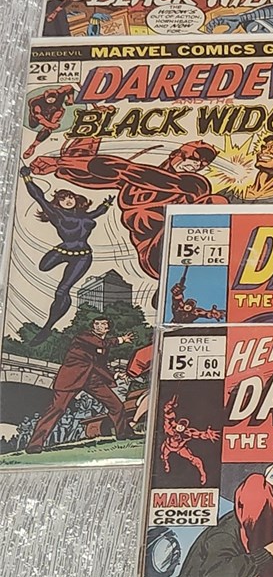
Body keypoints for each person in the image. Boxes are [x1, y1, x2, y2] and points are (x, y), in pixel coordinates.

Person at [29, 138, 224, 279]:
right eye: (193, 158)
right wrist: (64, 167)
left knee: (216, 202)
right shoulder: (133, 185)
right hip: (152, 254)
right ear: (176, 155)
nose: (195, 165)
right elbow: (98, 175)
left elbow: (130, 171)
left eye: (202, 164)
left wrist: (60, 163)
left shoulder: (195, 183)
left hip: (184, 244)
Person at [20, 165, 114, 342]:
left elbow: (97, 212)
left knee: (62, 291)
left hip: (83, 256)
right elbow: (38, 196)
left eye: (70, 197)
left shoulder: (85, 215)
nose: (68, 200)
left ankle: (48, 327)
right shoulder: (56, 213)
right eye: (63, 199)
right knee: (43, 266)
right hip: (63, 250)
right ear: (58, 202)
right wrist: (27, 179)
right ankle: (48, 325)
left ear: (75, 198)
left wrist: (106, 204)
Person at [25, 316, 133, 453]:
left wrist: (115, 375)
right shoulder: (84, 337)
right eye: (96, 323)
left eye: (102, 324)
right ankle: (34, 444)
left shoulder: (102, 345)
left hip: (92, 379)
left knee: (116, 405)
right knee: (56, 410)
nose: (98, 326)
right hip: (71, 379)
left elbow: (98, 365)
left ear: (108, 328)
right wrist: (120, 339)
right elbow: (100, 343)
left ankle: (123, 433)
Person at [23, 85, 74, 159]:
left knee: (48, 129)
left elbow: (69, 87)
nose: (51, 100)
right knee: (33, 125)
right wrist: (50, 125)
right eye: (49, 98)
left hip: (55, 111)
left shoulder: (60, 93)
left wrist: (70, 99)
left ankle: (33, 146)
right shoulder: (36, 102)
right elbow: (38, 116)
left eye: (53, 98)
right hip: (39, 115)